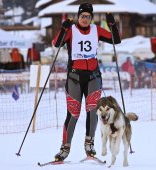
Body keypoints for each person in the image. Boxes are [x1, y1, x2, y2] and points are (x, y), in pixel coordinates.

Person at [52, 3, 121, 161]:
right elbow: (57, 43)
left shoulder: (96, 30)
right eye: (83, 16)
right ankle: (65, 148)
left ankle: (89, 144)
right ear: (78, 16)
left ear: (91, 18)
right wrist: (63, 29)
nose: (85, 19)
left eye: (88, 16)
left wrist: (112, 24)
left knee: (93, 111)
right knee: (73, 113)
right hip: (75, 77)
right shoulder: (71, 30)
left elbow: (116, 40)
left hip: (93, 77)